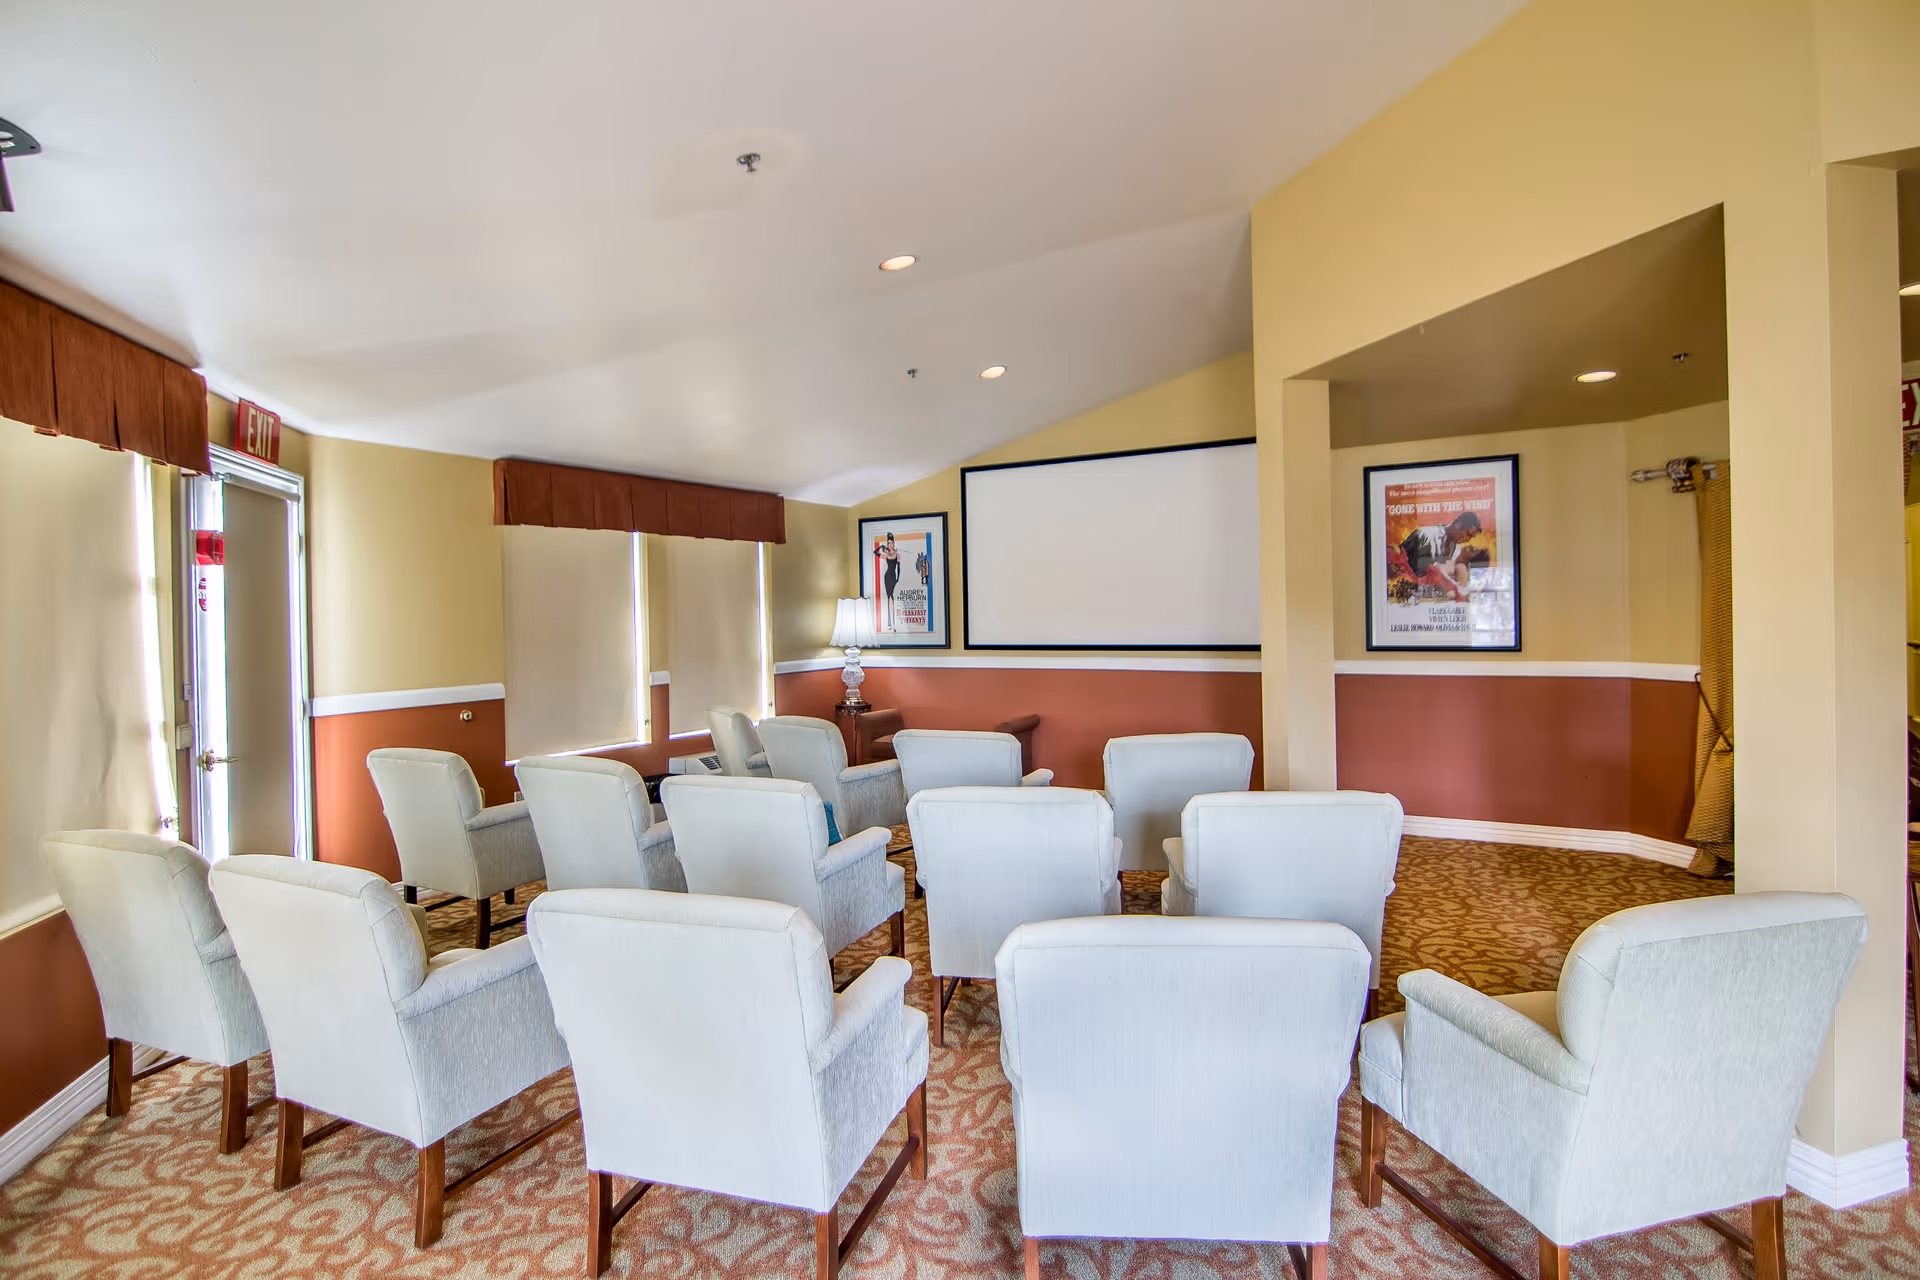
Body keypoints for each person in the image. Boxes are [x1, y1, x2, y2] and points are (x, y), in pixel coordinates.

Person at [1385, 511, 1484, 603]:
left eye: (1471, 537)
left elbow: (1440, 573)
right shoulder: (1425, 535)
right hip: (1409, 593)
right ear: (1458, 524)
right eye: (1468, 534)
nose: (1467, 539)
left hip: (1430, 598)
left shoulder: (1457, 548)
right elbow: (1401, 562)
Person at [876, 533, 901, 629]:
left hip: (893, 576)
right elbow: (876, 553)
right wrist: (881, 547)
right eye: (888, 543)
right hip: (887, 576)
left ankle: (890, 623)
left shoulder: (897, 554)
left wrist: (898, 578)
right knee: (890, 597)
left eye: (891, 543)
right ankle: (892, 624)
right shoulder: (886, 555)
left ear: (894, 543)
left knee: (891, 598)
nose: (890, 545)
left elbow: (899, 568)